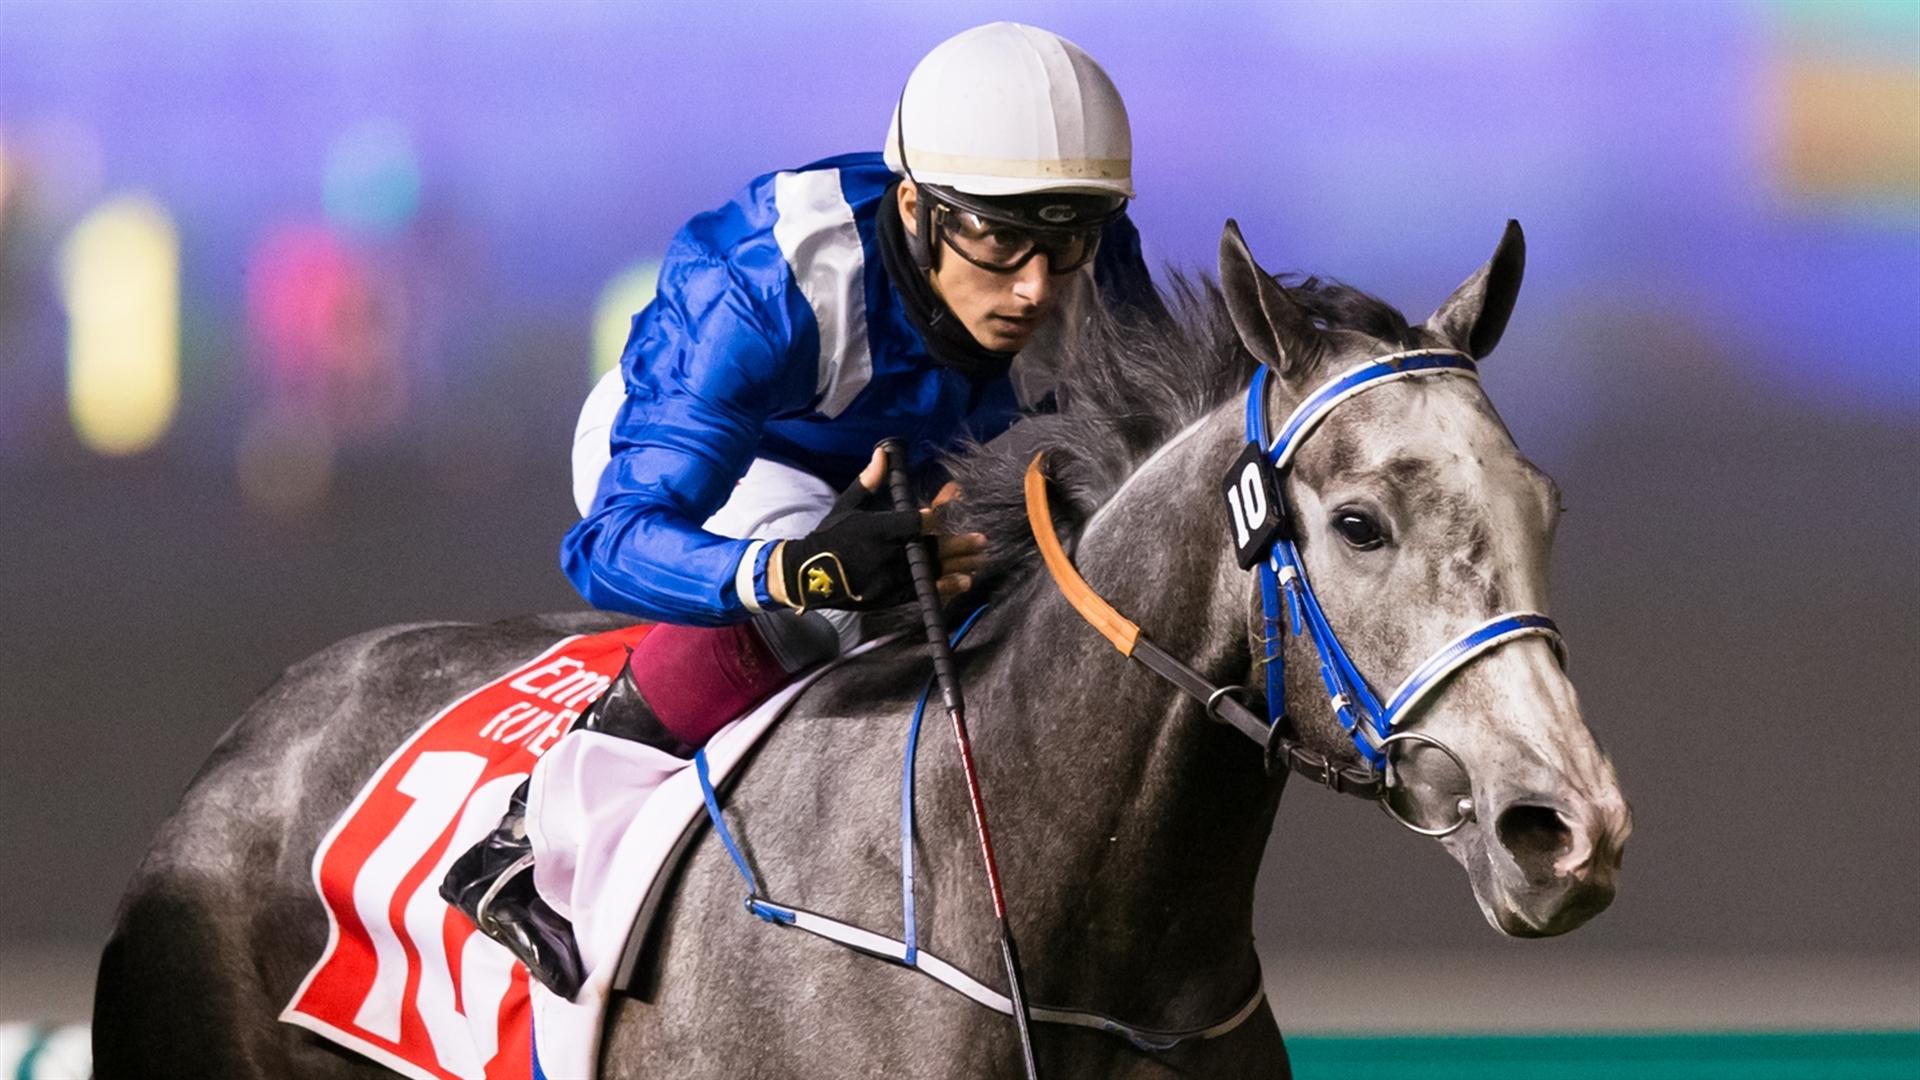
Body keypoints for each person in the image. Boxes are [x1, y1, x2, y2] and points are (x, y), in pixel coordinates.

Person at [442, 21, 1154, 998]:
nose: (1035, 285)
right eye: (997, 237)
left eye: (1065, 238)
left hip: (919, 460)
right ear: (915, 207)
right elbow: (608, 544)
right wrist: (797, 568)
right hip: (732, 459)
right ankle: (532, 833)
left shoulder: (1090, 265)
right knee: (829, 606)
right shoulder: (760, 286)